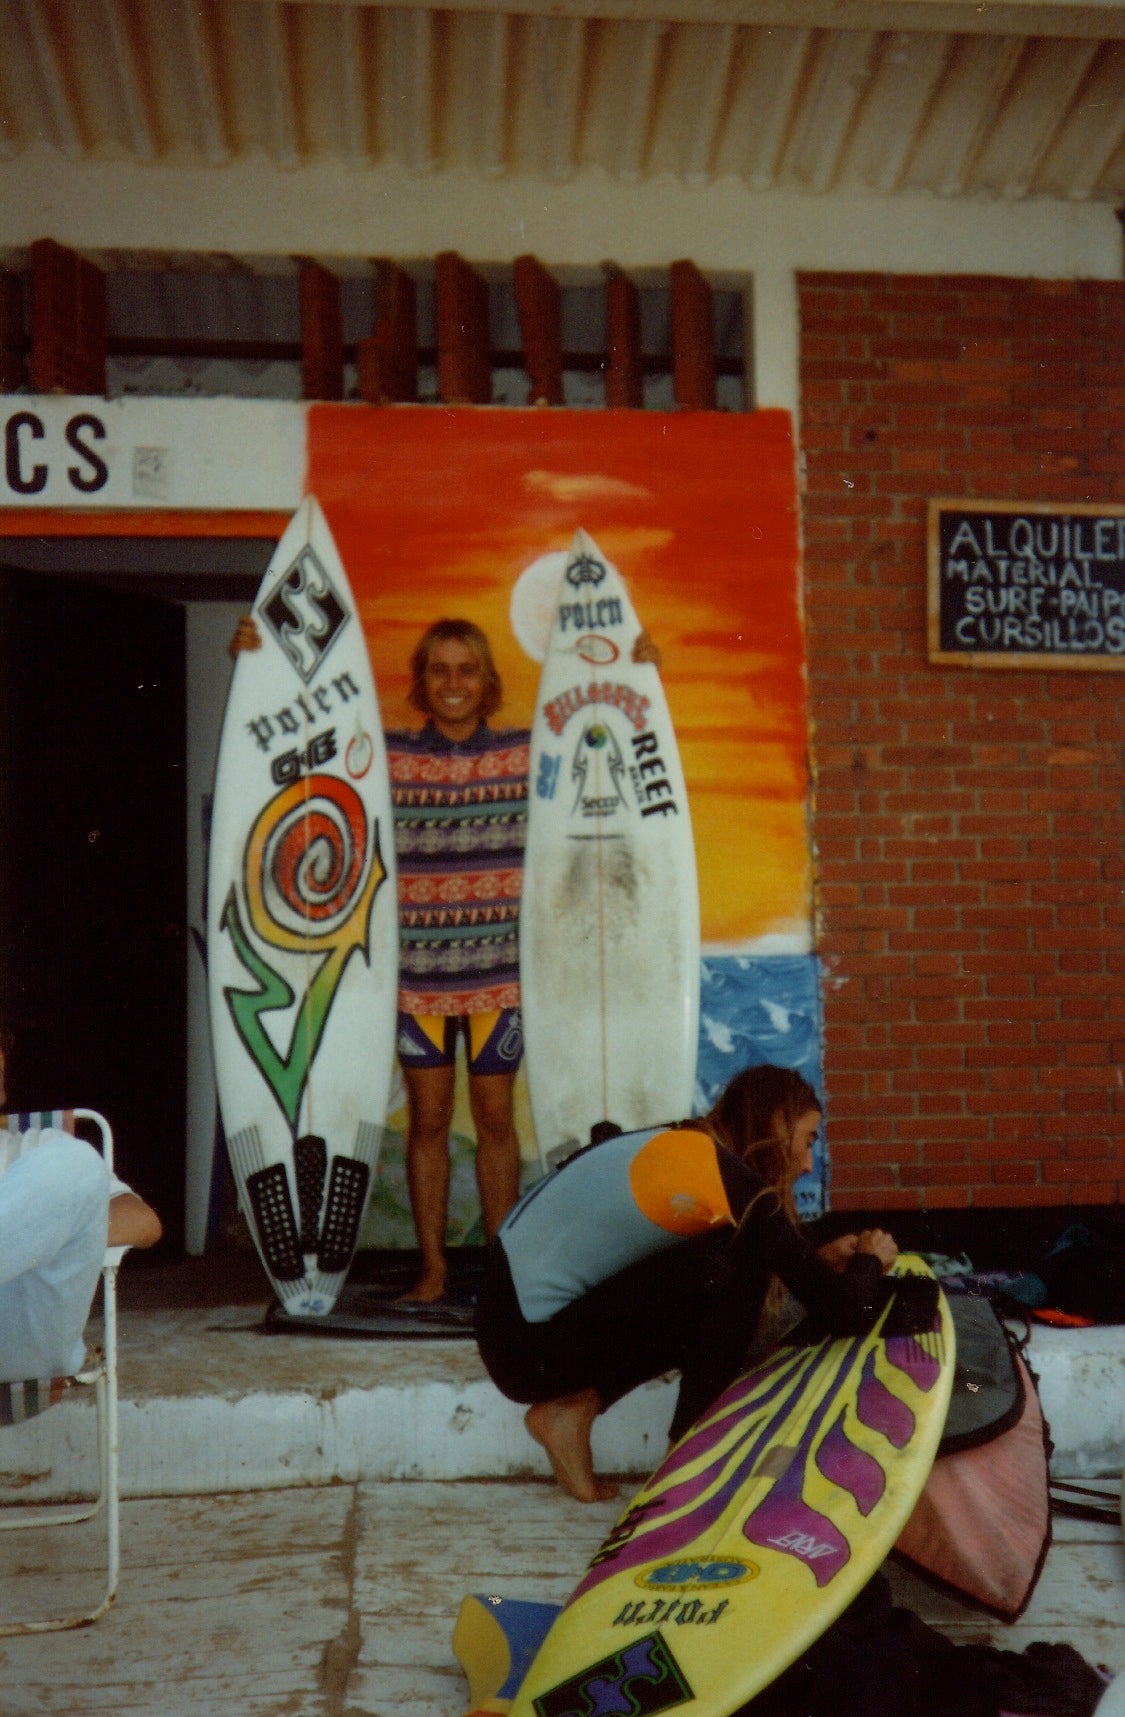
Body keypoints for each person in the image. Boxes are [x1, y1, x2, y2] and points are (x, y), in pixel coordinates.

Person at [231, 610, 660, 1304]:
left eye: (466, 669)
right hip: (417, 982)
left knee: (495, 1123)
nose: (453, 683)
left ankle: (502, 1270)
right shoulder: (387, 758)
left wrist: (638, 668)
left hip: (498, 981)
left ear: (486, 680)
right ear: (422, 682)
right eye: (439, 670)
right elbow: (295, 750)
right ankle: (432, 1271)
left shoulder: (526, 751)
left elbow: (606, 746)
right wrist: (255, 666)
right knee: (427, 1125)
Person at [475, 1063, 933, 1503]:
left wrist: (814, 1261)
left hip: (513, 1333)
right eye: (808, 1141)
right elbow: (845, 1313)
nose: (809, 1165)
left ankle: (573, 1409)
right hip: (527, 1342)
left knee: (721, 1262)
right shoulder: (733, 1184)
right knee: (729, 1267)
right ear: (777, 1129)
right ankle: (686, 1454)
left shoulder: (691, 1144)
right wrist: (870, 1261)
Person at [0, 1040, 162, 1383]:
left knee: (76, 1161)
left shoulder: (39, 1152)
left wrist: (60, 1226)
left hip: (16, 1337)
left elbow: (143, 1223)